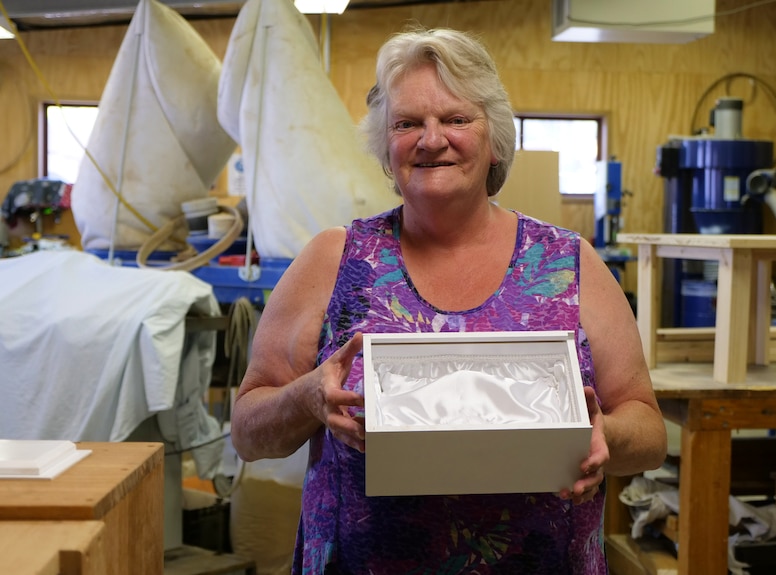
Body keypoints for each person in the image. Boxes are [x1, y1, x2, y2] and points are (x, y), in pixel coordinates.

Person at [232, 26, 667, 575]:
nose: (431, 139)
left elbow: (649, 432)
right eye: (407, 123)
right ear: (385, 149)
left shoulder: (567, 263)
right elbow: (247, 432)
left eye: (456, 119)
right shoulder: (334, 260)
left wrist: (607, 434)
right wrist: (305, 400)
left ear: (494, 140)